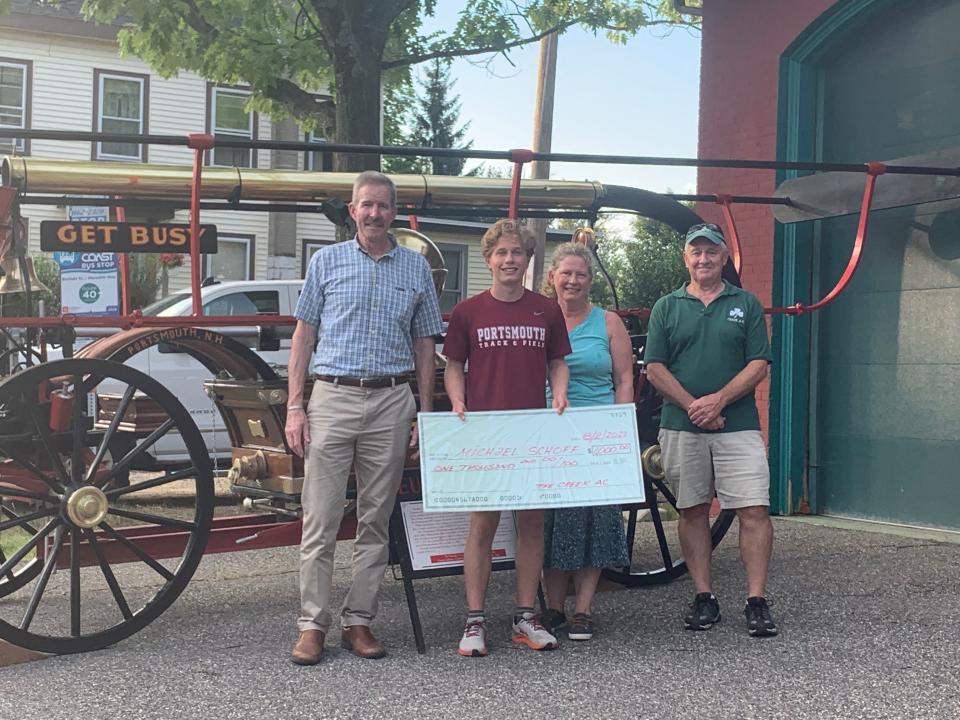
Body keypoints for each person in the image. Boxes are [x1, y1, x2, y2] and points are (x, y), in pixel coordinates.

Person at [285, 170, 443, 665]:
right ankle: (312, 624)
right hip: (332, 397)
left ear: (395, 212)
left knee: (375, 519)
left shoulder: (415, 269)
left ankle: (360, 621)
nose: (375, 213)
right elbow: (304, 337)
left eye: (383, 206)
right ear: (352, 210)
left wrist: (424, 411)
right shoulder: (326, 262)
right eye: (366, 205)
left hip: (392, 401)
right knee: (321, 518)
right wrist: (295, 405)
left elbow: (425, 344)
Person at [443, 218, 571, 657]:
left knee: (531, 523)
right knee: (483, 523)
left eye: (517, 252)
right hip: (486, 432)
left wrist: (560, 394)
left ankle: (525, 615)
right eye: (501, 253)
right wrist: (458, 403)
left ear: (527, 259)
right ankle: (475, 619)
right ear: (489, 259)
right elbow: (453, 365)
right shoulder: (468, 312)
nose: (509, 259)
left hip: (532, 430)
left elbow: (558, 362)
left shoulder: (546, 310)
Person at [644, 222, 778, 637]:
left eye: (711, 252)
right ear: (686, 258)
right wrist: (694, 406)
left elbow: (759, 362)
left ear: (724, 258)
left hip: (737, 425)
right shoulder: (667, 306)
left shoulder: (746, 304)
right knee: (693, 509)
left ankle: (756, 600)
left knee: (754, 509)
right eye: (696, 252)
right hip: (682, 425)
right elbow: (653, 367)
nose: (703, 259)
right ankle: (705, 596)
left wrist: (718, 401)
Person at [538, 242, 633, 642]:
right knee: (550, 519)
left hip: (596, 433)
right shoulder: (539, 318)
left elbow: (625, 379)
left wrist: (620, 429)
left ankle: (584, 608)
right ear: (552, 278)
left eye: (581, 274)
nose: (573, 280)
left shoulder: (608, 323)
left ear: (590, 280)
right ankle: (553, 606)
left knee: (595, 517)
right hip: (547, 433)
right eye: (566, 273)